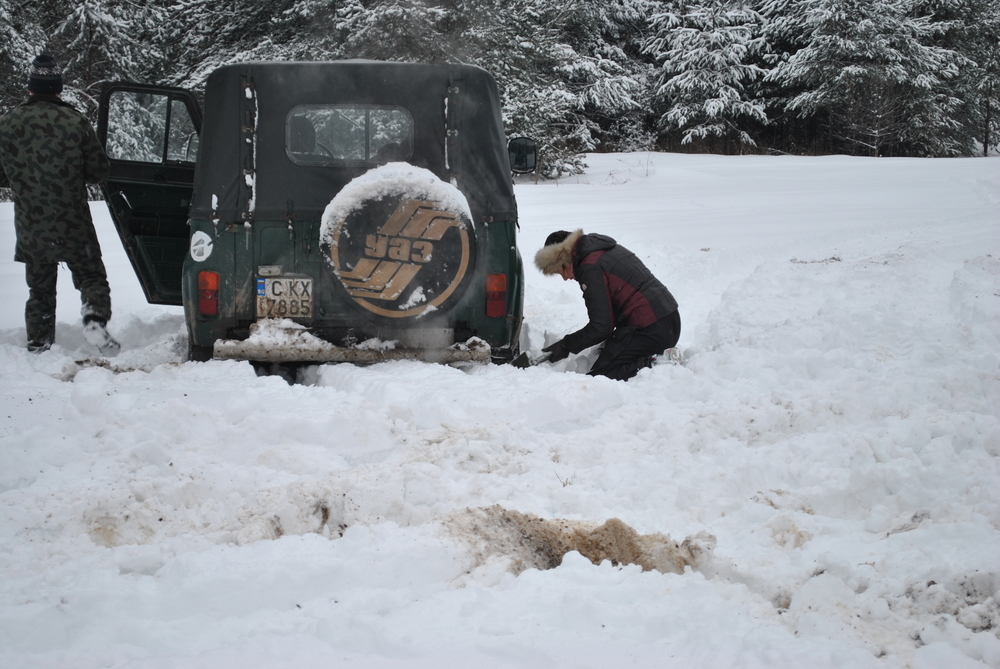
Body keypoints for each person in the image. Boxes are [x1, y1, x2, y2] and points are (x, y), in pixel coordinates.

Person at [0, 54, 119, 355]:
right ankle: (94, 321)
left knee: (39, 287)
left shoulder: (7, 124)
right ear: (58, 88)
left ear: (31, 88)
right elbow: (98, 171)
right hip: (73, 219)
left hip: (31, 222)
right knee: (90, 274)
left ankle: (39, 343)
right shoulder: (75, 120)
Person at [535, 229, 680, 381]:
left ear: (563, 258)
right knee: (604, 355)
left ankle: (658, 363)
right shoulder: (599, 250)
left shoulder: (589, 266)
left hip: (652, 329)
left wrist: (566, 345)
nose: (564, 278)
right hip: (667, 319)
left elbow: (601, 327)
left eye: (560, 271)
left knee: (601, 378)